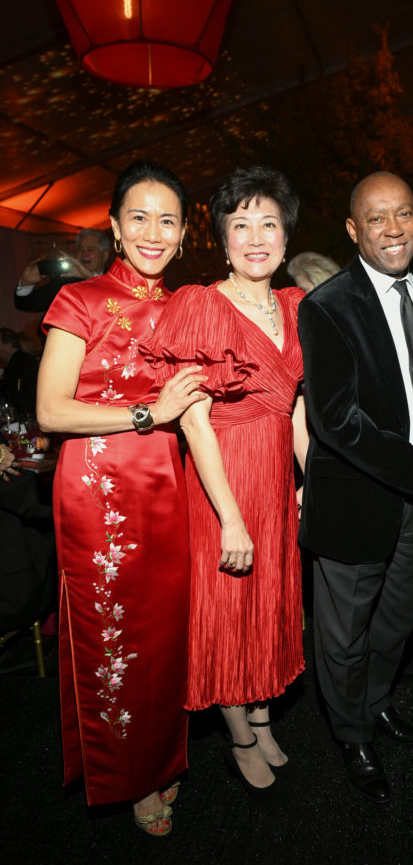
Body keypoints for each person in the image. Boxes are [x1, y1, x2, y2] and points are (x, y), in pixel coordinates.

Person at [36, 161, 207, 836]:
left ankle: (162, 760)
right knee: (116, 639)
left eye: (168, 219)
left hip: (169, 486)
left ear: (187, 231)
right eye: (138, 216)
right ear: (112, 225)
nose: (152, 231)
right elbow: (51, 411)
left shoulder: (190, 306)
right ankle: (130, 774)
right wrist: (146, 414)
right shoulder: (78, 300)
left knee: (165, 638)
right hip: (97, 491)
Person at [142, 166, 307, 797]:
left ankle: (262, 718)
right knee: (227, 612)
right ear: (223, 238)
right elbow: (195, 424)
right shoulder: (201, 306)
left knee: (268, 603)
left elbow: (294, 409)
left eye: (269, 223)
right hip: (223, 483)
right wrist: (231, 516)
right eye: (241, 225)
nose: (256, 237)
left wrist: (308, 478)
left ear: (287, 239)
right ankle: (239, 735)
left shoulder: (293, 307)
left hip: (274, 482)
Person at [297, 171, 413, 804]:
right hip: (357, 502)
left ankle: (379, 702)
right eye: (377, 218)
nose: (394, 229)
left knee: (396, 623)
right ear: (354, 230)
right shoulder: (325, 306)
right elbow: (335, 420)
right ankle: (352, 733)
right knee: (344, 637)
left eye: (405, 214)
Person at [15, 229, 111, 315]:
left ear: (105, 255)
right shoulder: (66, 279)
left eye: (90, 250)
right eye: (80, 249)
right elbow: (27, 305)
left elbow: (115, 308)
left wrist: (91, 279)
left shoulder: (115, 279)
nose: (84, 254)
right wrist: (26, 283)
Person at [0, 327, 40, 416]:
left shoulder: (16, 363)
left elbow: (18, 397)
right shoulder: (22, 358)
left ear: (8, 344)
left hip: (28, 417)